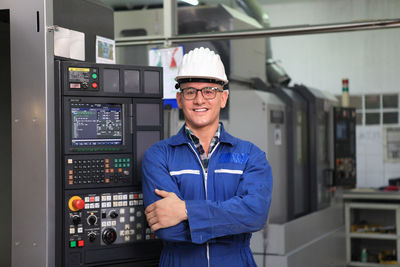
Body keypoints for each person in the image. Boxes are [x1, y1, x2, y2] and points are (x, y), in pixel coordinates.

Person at [142, 47, 273, 267]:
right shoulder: (158, 156)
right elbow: (167, 228)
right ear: (180, 99)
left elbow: (255, 214)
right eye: (190, 91)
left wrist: (185, 211)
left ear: (223, 98)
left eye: (209, 91)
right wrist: (230, 221)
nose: (199, 100)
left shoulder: (251, 155)